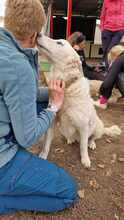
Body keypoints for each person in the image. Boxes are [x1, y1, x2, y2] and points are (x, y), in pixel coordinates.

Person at [0, 0, 77, 214]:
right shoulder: (18, 66)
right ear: (34, 35)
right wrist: (54, 106)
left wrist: (53, 93)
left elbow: (17, 92)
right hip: (1, 162)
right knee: (67, 191)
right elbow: (27, 138)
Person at [94, 45, 124, 109]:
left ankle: (102, 103)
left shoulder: (119, 59)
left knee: (116, 74)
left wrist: (101, 92)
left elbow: (108, 82)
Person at [100, 0, 124, 69]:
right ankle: (105, 67)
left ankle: (109, 69)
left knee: (110, 50)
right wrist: (102, 28)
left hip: (119, 29)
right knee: (105, 50)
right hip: (107, 29)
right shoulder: (106, 1)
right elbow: (102, 15)